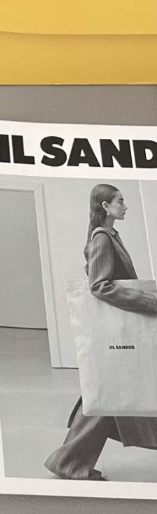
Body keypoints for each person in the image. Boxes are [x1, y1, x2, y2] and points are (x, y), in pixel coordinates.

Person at [45, 183, 157, 481]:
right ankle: (68, 462)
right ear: (105, 206)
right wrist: (151, 303)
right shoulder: (102, 238)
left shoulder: (109, 235)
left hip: (121, 333)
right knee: (106, 394)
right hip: (120, 333)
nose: (125, 206)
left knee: (106, 393)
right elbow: (99, 286)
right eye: (120, 201)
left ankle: (69, 462)